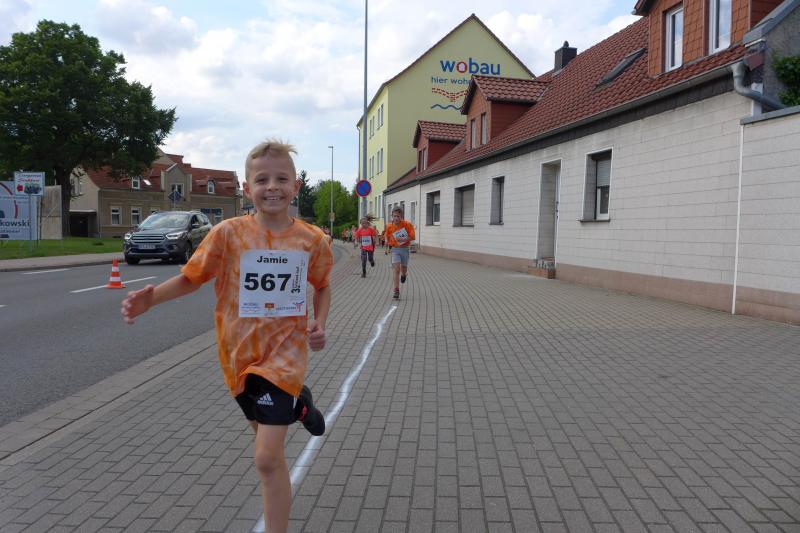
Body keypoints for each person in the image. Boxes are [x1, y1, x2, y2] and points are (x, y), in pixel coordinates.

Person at [121, 139, 332, 533]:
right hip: (238, 358)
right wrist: (152, 299)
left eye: (281, 179)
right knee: (268, 449)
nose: (272, 187)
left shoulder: (311, 240)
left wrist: (318, 322)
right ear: (247, 189)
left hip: (285, 358)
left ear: (296, 186)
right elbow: (192, 278)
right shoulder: (228, 234)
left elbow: (321, 285)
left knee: (266, 458)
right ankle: (300, 408)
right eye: (262, 180)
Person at [383, 206, 415, 299]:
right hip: (395, 250)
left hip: (405, 249)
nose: (396, 218)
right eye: (395, 216)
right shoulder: (389, 226)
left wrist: (403, 239)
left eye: (398, 216)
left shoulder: (407, 224)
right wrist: (386, 241)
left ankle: (404, 275)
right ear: (392, 216)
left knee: (403, 268)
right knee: (396, 269)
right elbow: (386, 235)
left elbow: (412, 236)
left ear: (401, 217)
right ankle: (396, 290)